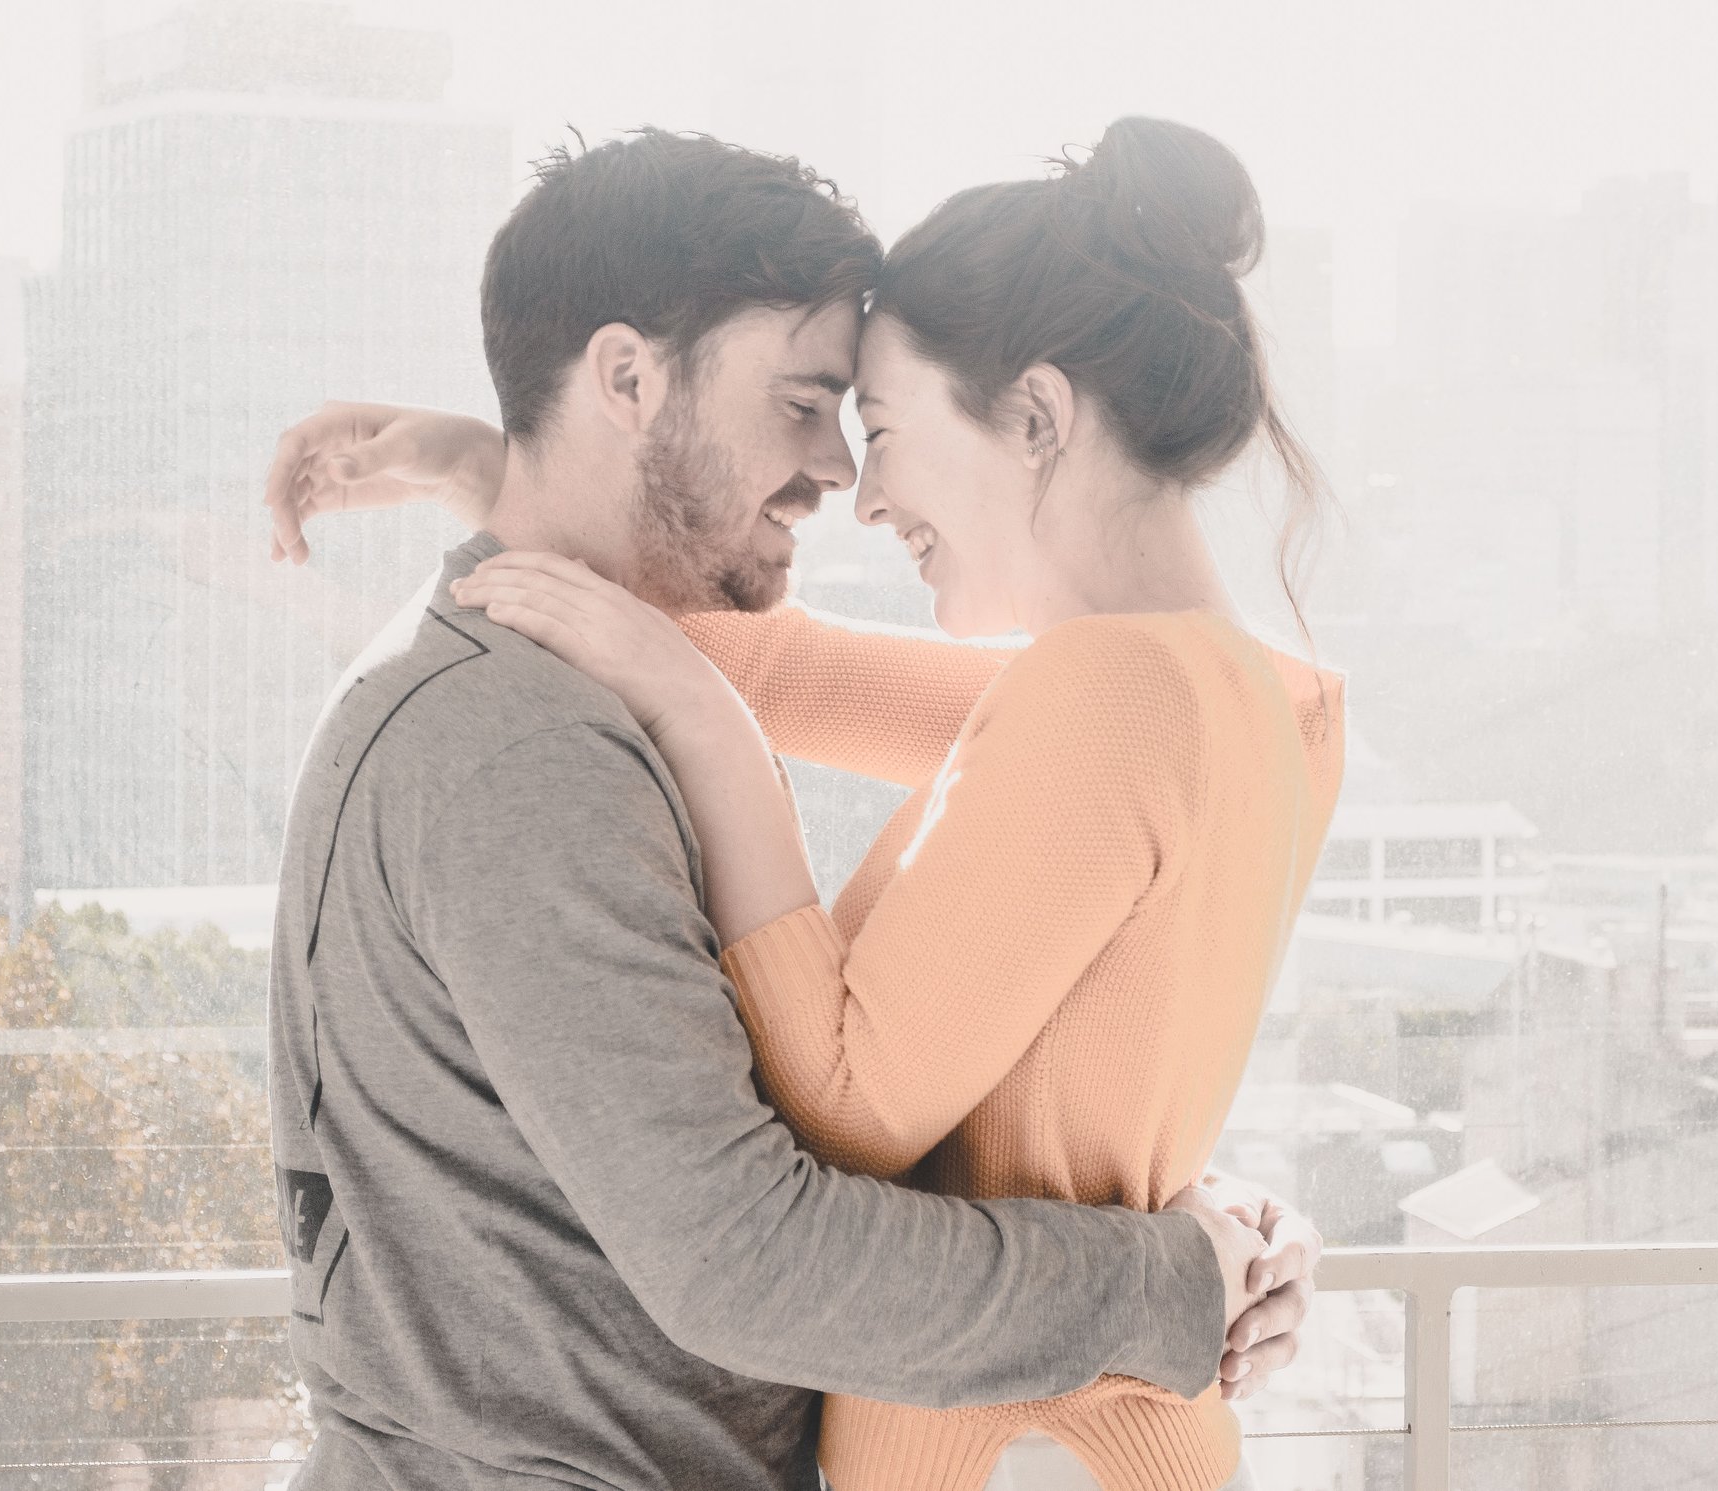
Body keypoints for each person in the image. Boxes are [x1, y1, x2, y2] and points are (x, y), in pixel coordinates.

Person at [268, 120, 1342, 1491]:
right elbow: (753, 1248)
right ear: (625, 379)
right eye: (809, 406)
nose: (850, 480)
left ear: (1037, 418)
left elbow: (861, 1084)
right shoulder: (1269, 709)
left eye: (871, 423)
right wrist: (1175, 1269)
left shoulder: (1113, 702)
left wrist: (1174, 1233)